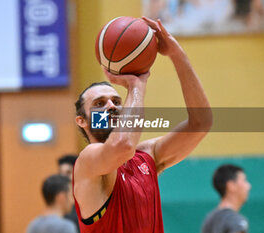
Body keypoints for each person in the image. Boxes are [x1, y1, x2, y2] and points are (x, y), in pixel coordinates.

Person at [73, 17, 212, 233]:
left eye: (117, 102)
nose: (111, 107)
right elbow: (123, 146)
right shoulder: (88, 160)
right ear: (81, 121)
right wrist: (136, 86)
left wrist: (177, 54)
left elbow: (201, 122)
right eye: (100, 104)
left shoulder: (147, 156)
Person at [201, 164, 251, 233]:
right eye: (244, 181)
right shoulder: (236, 220)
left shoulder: (209, 219)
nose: (248, 186)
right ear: (231, 185)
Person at [58, 154, 79, 232]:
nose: (63, 177)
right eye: (60, 173)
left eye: (68, 172)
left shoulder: (85, 200)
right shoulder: (57, 201)